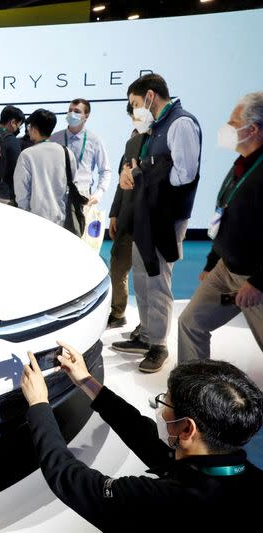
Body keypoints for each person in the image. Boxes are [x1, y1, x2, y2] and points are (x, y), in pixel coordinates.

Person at [21, 341, 263, 530]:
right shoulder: (233, 471)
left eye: (165, 402)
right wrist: (87, 382)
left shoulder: (158, 500)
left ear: (188, 429)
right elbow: (145, 438)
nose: (161, 411)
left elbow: (70, 479)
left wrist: (39, 404)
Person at [111, 73, 202, 373]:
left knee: (158, 280)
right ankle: (146, 334)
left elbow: (183, 174)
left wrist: (145, 171)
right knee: (142, 275)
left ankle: (158, 345)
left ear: (150, 96)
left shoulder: (181, 123)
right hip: (146, 214)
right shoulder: (155, 128)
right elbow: (145, 168)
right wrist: (134, 172)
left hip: (167, 218)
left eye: (136, 103)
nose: (135, 110)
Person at [178, 92, 263, 362]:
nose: (226, 126)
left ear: (252, 129)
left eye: (232, 121)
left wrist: (258, 282)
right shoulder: (241, 164)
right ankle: (193, 395)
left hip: (254, 279)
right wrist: (211, 261)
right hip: (225, 269)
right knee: (190, 323)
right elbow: (222, 213)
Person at [106, 103, 148, 329]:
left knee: (147, 279)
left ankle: (147, 326)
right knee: (118, 268)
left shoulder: (162, 144)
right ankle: (118, 312)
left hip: (148, 222)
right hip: (125, 219)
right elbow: (121, 186)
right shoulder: (131, 145)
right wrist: (114, 214)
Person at [13, 109, 77, 226]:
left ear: (34, 128)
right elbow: (72, 183)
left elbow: (21, 192)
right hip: (62, 219)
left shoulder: (27, 155)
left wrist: (25, 213)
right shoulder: (66, 152)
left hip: (34, 220)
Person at [49, 98, 112, 206]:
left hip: (82, 194)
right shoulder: (54, 139)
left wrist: (99, 193)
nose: (72, 113)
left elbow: (105, 170)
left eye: (77, 111)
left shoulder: (94, 140)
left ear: (86, 116)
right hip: (57, 195)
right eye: (70, 110)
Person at [0, 105, 25, 204]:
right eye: (19, 125)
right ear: (13, 122)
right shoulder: (11, 140)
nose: (19, 128)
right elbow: (17, 170)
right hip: (5, 195)